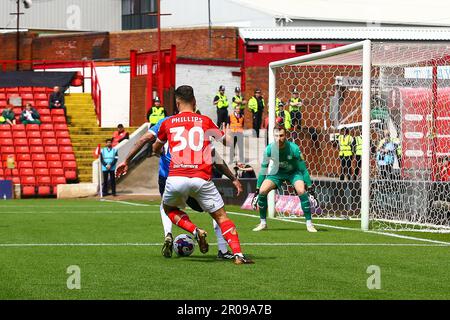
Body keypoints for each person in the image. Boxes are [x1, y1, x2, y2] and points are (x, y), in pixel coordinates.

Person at [116, 115, 241, 261]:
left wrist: (127, 160)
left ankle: (170, 234)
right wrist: (233, 178)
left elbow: (146, 141)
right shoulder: (199, 124)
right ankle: (223, 249)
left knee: (166, 206)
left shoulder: (166, 122)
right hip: (195, 175)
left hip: (170, 176)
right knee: (217, 212)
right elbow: (216, 156)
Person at [152, 85, 254, 264]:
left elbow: (155, 147)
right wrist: (229, 134)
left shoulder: (168, 123)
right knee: (221, 216)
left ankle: (195, 230)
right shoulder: (205, 121)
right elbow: (228, 144)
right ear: (195, 102)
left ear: (177, 103)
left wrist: (159, 150)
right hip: (201, 178)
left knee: (168, 209)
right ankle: (238, 254)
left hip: (176, 177)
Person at [251, 125, 317, 233]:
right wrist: (257, 190)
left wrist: (310, 187)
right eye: (276, 136)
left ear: (286, 135)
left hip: (294, 173)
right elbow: (263, 170)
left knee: (301, 191)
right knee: (263, 191)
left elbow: (303, 169)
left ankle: (309, 224)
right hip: (276, 173)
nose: (279, 138)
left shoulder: (294, 148)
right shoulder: (269, 150)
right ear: (273, 136)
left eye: (281, 135)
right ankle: (263, 223)